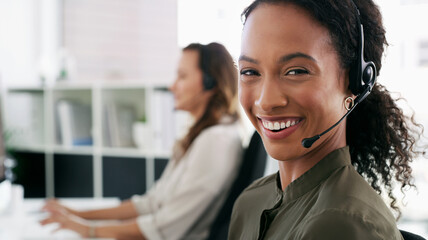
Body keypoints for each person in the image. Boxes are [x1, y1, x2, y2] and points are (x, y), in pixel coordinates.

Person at [229, 0, 425, 239]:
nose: (265, 101)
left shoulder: (341, 223)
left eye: (296, 71)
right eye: (250, 72)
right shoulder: (251, 201)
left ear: (355, 83)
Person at [40, 42, 243, 240]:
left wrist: (87, 230)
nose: (172, 86)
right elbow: (151, 203)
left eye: (182, 76)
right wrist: (79, 214)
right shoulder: (202, 135)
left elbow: (163, 227)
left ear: (211, 82)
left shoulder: (216, 141)